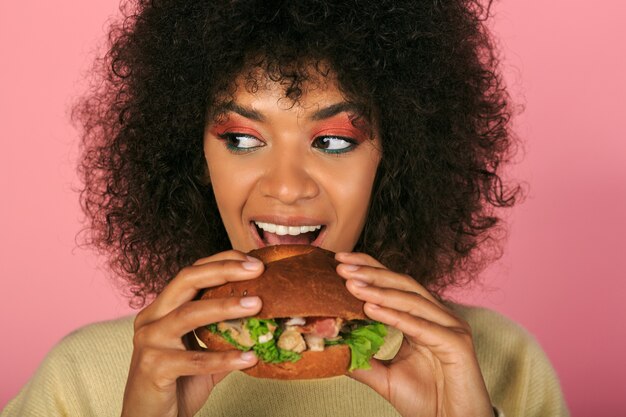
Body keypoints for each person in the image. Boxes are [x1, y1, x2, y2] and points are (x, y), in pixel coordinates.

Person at [2, 0, 569, 416]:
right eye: (243, 139)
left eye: (334, 141)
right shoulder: (84, 376)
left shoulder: (497, 360)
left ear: (394, 157)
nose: (287, 187)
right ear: (190, 153)